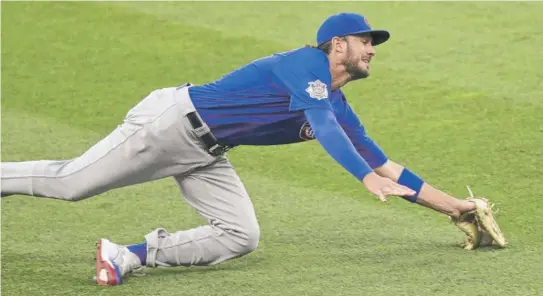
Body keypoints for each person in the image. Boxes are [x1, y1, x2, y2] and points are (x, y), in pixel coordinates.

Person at [0, 12, 506, 286]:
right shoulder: (303, 67)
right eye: (363, 40)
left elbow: (383, 160)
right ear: (336, 46)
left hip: (207, 150)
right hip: (172, 122)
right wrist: (364, 179)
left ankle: (127, 256)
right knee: (70, 185)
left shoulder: (336, 100)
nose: (372, 49)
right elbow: (326, 130)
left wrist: (454, 207)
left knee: (239, 236)